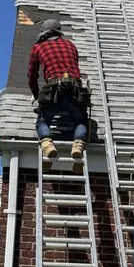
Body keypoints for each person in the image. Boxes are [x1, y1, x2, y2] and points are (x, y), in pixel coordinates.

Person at [28, 18, 89, 161]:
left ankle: (47, 143)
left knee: (42, 122)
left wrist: (36, 94)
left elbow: (32, 75)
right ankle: (78, 144)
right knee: (80, 122)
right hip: (75, 91)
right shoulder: (71, 45)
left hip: (53, 91)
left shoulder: (38, 47)